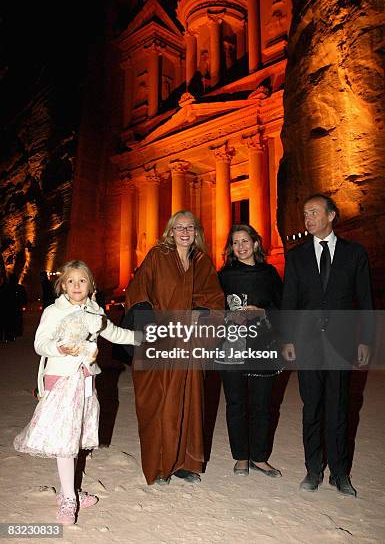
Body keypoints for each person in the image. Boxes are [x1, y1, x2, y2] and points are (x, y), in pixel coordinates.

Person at [14, 260, 142, 525]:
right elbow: (40, 344)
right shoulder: (54, 310)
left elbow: (114, 333)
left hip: (84, 382)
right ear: (62, 285)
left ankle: (68, 489)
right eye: (70, 281)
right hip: (61, 380)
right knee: (65, 440)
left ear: (91, 285)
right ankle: (68, 499)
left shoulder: (95, 311)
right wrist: (59, 348)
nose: (76, 285)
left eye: (81, 280)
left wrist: (140, 337)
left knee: (75, 437)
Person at [281, 194, 373, 497]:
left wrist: (365, 340)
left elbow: (365, 301)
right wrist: (288, 339)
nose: (308, 218)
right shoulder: (295, 257)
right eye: (305, 213)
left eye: (314, 212)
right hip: (307, 342)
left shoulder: (355, 254)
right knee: (312, 408)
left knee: (339, 407)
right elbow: (289, 302)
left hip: (342, 341)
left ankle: (340, 473)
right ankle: (313, 470)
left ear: (331, 215)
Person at [125, 210, 224, 485]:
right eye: (179, 227)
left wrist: (201, 314)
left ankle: (184, 463)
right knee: (158, 403)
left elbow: (215, 299)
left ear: (196, 233)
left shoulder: (202, 262)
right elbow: (139, 291)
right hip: (160, 340)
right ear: (170, 231)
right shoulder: (158, 256)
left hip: (190, 341)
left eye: (190, 227)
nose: (184, 232)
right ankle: (158, 466)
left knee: (190, 402)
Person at [217, 224, 283, 478]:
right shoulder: (224, 276)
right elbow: (213, 308)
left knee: (262, 405)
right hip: (231, 345)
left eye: (245, 241)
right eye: (235, 242)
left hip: (263, 345)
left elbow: (284, 307)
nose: (241, 246)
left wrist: (263, 312)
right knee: (235, 403)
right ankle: (241, 457)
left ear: (255, 243)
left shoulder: (269, 273)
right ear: (231, 248)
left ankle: (259, 457)